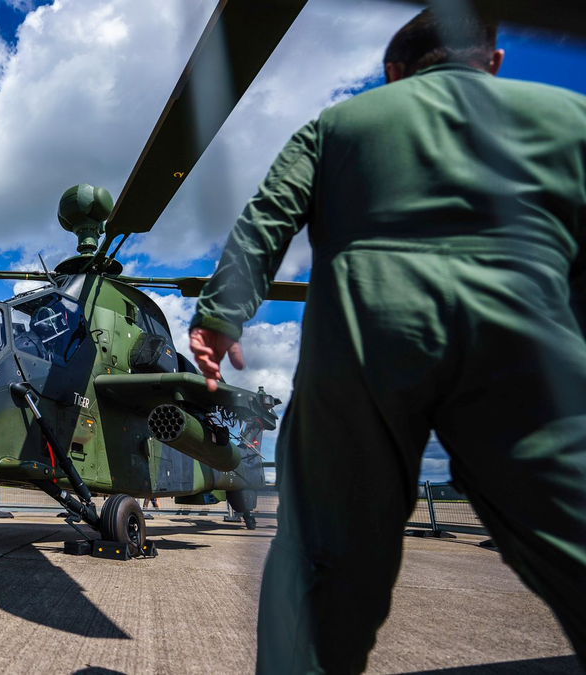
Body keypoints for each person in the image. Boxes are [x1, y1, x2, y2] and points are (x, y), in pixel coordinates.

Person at [188, 10, 586, 672]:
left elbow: (266, 218)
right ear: (493, 61)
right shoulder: (571, 117)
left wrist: (220, 314)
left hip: (364, 330)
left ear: (395, 72)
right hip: (526, 337)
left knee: (322, 561)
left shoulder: (337, 124)